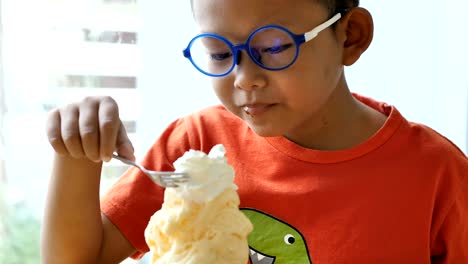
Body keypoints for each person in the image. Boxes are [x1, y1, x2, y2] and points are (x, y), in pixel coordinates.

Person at [41, 0, 468, 263]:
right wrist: (75, 152)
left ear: (350, 36)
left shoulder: (435, 173)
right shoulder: (196, 146)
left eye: (274, 47)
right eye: (220, 52)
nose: (244, 78)